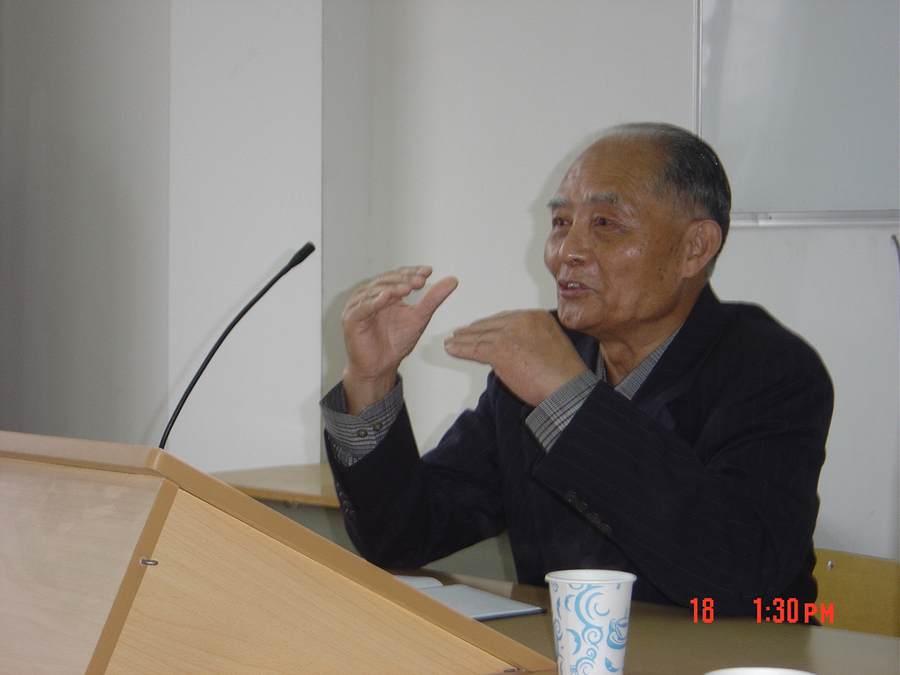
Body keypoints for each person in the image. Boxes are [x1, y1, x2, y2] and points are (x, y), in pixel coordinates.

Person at [320, 122, 833, 617]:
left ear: (694, 248)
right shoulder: (543, 359)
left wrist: (571, 399)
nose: (567, 252)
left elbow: (741, 578)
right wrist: (371, 380)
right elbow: (405, 537)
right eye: (561, 223)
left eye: (605, 224)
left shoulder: (770, 368)